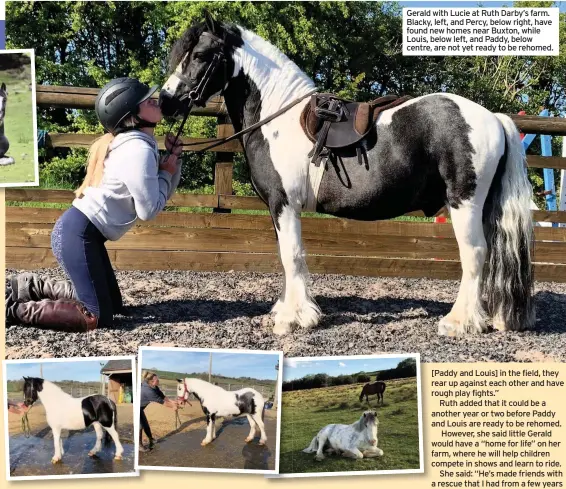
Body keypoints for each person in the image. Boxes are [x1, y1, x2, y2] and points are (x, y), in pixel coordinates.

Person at [6, 77, 183, 332]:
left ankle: (27, 287)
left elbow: (158, 194)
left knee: (113, 305)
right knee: (97, 317)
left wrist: (174, 161)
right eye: (148, 100)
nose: (155, 100)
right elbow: (148, 210)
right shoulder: (138, 150)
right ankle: (13, 310)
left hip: (81, 233)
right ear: (131, 114)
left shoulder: (138, 145)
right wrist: (167, 172)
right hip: (79, 235)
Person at [140, 371, 179, 452]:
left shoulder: (154, 386)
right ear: (151, 381)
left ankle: (151, 439)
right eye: (157, 380)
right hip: (137, 408)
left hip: (141, 408)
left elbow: (162, 396)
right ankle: (139, 445)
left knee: (145, 425)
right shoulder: (148, 391)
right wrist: (173, 407)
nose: (158, 381)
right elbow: (162, 402)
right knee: (140, 426)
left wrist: (172, 402)